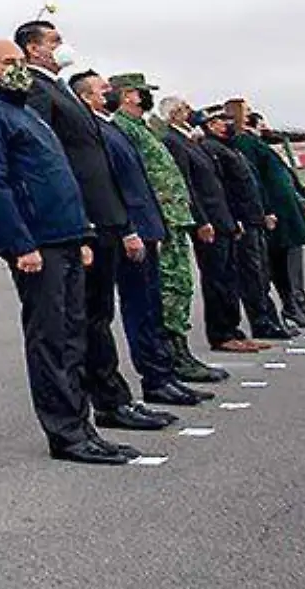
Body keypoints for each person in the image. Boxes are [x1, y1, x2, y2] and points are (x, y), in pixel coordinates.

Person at [0, 40, 141, 464]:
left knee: (74, 335)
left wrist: (80, 237)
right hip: (37, 245)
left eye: (21, 62)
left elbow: (57, 176)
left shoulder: (25, 113)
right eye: (8, 62)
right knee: (51, 339)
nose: (17, 68)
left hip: (66, 238)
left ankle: (83, 427)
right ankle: (65, 434)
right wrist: (21, 243)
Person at [15, 21, 171, 431]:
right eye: (53, 41)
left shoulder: (59, 87)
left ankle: (113, 397)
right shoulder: (36, 88)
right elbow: (51, 160)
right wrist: (80, 221)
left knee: (99, 313)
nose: (61, 47)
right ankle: (107, 400)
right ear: (32, 50)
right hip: (85, 221)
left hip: (104, 218)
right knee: (90, 319)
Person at [71, 73, 212, 406]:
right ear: (87, 98)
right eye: (103, 90)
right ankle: (154, 377)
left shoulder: (114, 127)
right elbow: (114, 185)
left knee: (151, 305)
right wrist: (130, 228)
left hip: (147, 226)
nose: (110, 94)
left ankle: (163, 375)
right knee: (139, 308)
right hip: (129, 229)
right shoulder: (98, 130)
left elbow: (140, 180)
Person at [106, 75, 228, 382]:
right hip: (160, 219)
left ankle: (180, 351)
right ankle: (172, 357)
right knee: (170, 288)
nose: (146, 99)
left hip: (173, 217)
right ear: (128, 95)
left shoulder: (144, 127)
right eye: (141, 94)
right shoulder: (123, 127)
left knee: (181, 285)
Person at [158, 96, 264, 353]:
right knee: (216, 280)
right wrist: (201, 221)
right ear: (173, 114)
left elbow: (216, 184)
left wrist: (232, 219)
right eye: (183, 109)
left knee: (229, 278)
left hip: (223, 218)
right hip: (208, 222)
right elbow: (188, 185)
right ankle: (221, 333)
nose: (189, 112)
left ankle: (233, 329)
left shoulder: (191, 141)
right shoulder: (173, 141)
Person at [199, 106, 295, 341]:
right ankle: (261, 322)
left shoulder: (231, 148)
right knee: (251, 275)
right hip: (241, 220)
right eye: (223, 120)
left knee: (261, 273)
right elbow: (224, 190)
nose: (228, 124)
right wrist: (236, 219)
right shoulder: (213, 149)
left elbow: (251, 185)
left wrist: (263, 212)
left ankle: (269, 319)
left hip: (253, 218)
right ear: (211, 125)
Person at [235, 108, 305, 327]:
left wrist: (299, 191)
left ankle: (300, 301)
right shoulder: (246, 143)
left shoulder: (261, 144)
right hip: (276, 211)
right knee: (282, 263)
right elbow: (255, 177)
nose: (265, 126)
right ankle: (292, 304)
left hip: (287, 209)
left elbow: (280, 173)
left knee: (293, 259)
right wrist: (266, 210)